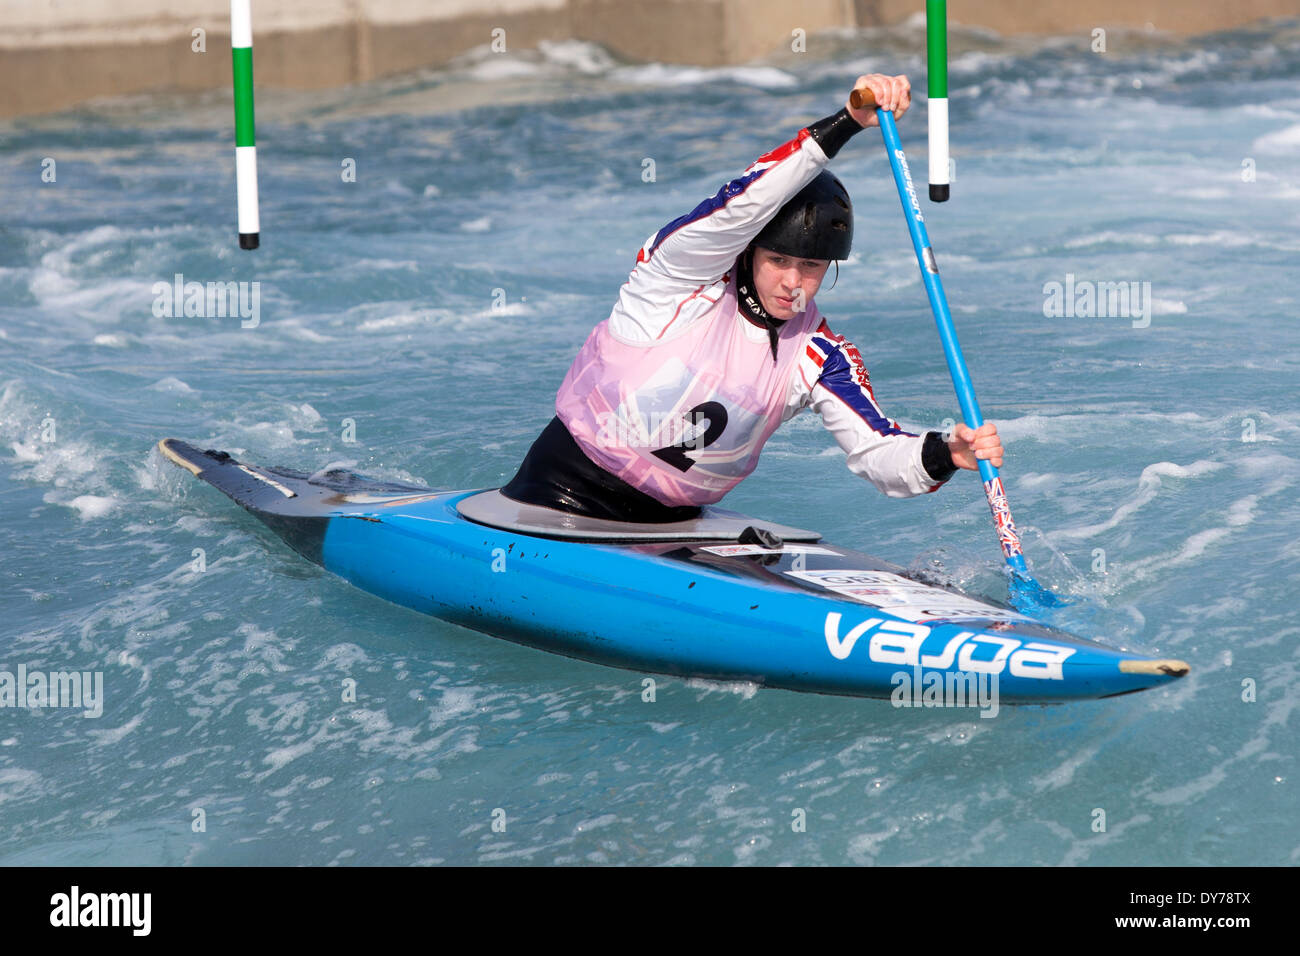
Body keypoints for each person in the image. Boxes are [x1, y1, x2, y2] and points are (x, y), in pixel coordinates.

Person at [502, 73, 1003, 523]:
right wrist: (846, 124)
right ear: (748, 252)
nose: (794, 283)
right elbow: (740, 204)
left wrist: (944, 454)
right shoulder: (677, 280)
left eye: (811, 267)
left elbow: (876, 451)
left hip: (676, 525)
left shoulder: (820, 355)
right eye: (779, 261)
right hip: (555, 497)